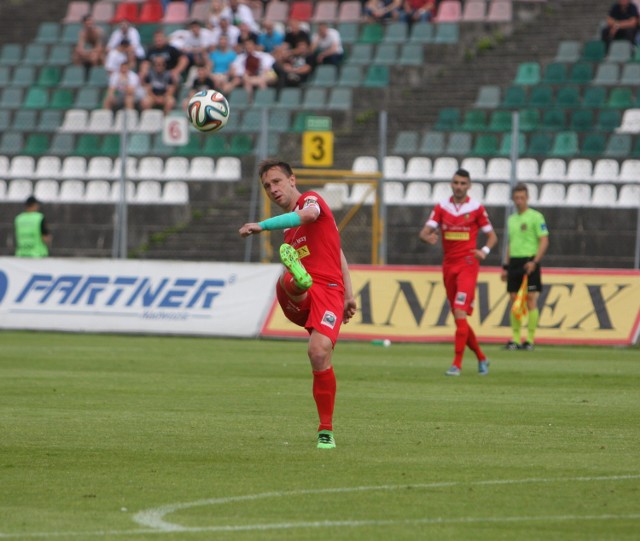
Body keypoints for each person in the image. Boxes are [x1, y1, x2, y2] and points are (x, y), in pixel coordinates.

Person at [238, 159, 357, 449]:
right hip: (299, 297)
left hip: (329, 291)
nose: (272, 189)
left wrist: (347, 294)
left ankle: (325, 430)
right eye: (267, 186)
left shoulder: (311, 200)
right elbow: (336, 248)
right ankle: (298, 282)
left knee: (318, 353)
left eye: (277, 182)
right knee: (288, 278)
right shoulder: (288, 232)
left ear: (292, 180)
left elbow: (312, 219)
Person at [419, 168, 498, 377]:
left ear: (469, 185)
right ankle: (482, 358)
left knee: (460, 311)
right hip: (449, 265)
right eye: (456, 183)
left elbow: (492, 236)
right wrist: (427, 237)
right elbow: (424, 232)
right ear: (451, 184)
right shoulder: (442, 207)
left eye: (463, 183)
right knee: (458, 316)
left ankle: (457, 364)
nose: (459, 186)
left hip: (468, 264)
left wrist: (485, 251)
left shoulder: (476, 208)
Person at [501, 183, 549, 351]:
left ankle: (529, 340)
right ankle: (515, 339)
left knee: (530, 300)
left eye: (522, 197)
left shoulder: (536, 217)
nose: (519, 201)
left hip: (529, 261)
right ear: (513, 199)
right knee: (514, 301)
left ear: (527, 198)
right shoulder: (512, 220)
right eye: (516, 198)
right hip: (514, 262)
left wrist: (534, 262)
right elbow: (510, 244)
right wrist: (505, 267)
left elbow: (544, 240)